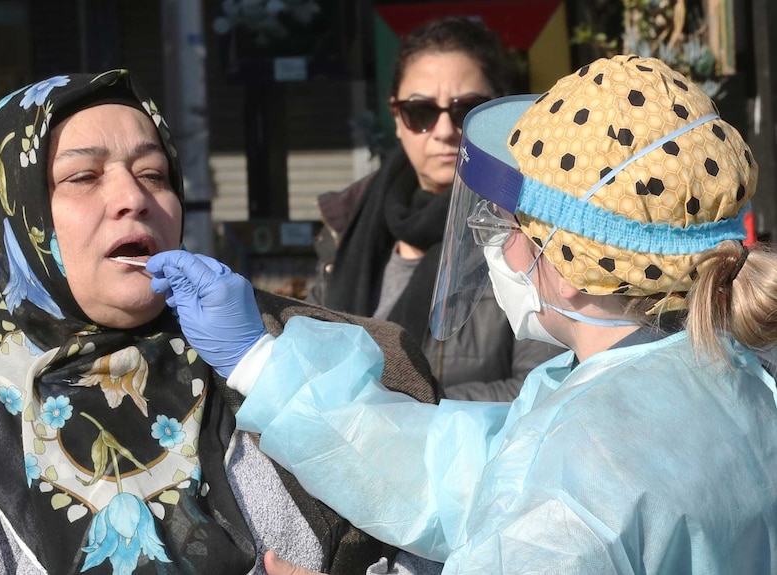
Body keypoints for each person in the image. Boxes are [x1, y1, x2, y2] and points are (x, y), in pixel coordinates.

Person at [148, 55, 777, 574]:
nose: (496, 247)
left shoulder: (580, 470)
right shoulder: (722, 376)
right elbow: (455, 472)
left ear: (573, 267)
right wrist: (261, 361)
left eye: (509, 228)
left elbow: (541, 513)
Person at [0, 70, 444, 575]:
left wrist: (263, 360)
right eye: (82, 177)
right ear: (2, 218)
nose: (134, 199)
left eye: (154, 174)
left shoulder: (316, 355)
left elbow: (449, 538)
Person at [307, 16, 560, 401]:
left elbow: (546, 387)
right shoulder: (348, 224)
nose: (444, 130)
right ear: (397, 119)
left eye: (466, 109)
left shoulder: (533, 228)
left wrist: (405, 407)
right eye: (420, 112)